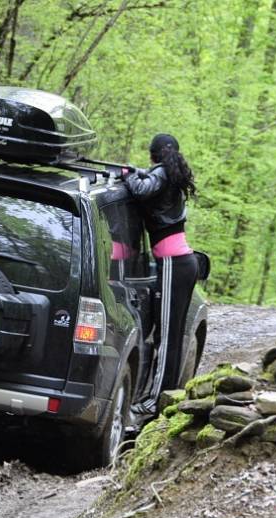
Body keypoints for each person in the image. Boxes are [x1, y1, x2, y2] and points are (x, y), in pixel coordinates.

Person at [124, 133, 199, 405]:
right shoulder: (170, 175)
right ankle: (163, 397)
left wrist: (127, 175)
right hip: (181, 263)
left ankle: (154, 401)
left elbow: (141, 190)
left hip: (172, 265)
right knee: (173, 337)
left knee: (166, 339)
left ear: (153, 154)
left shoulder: (162, 174)